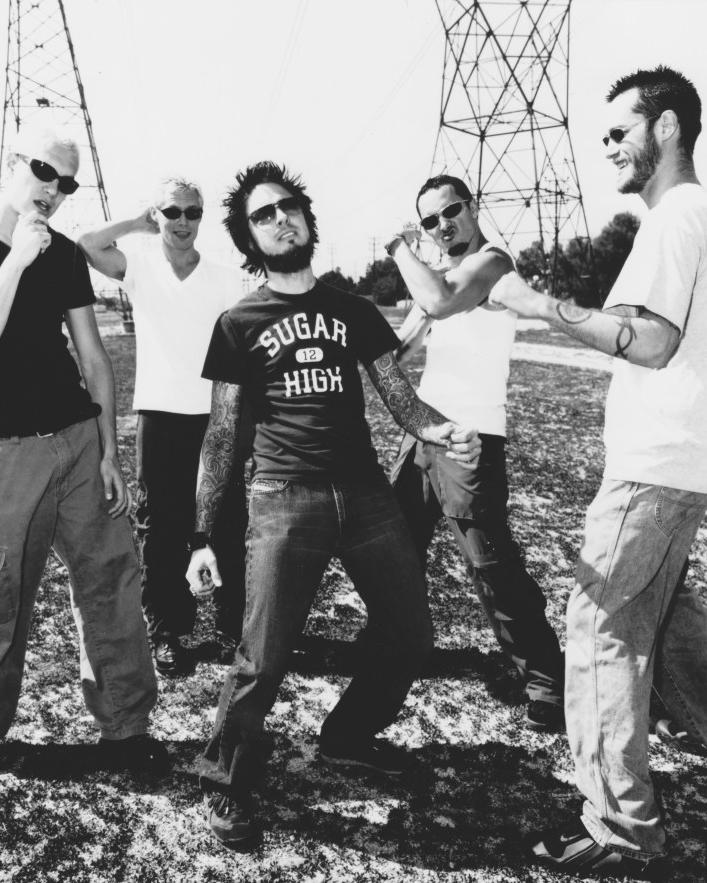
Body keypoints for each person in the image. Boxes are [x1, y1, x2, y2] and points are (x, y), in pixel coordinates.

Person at [186, 161, 482, 847]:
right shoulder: (239, 322)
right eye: (263, 215)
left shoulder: (352, 309)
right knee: (263, 655)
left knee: (410, 634)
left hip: (365, 493)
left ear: (307, 218)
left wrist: (442, 430)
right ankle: (226, 779)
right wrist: (201, 535)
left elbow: (398, 397)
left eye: (288, 206)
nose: (280, 219)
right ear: (249, 238)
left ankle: (348, 734)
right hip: (283, 498)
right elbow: (223, 433)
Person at [489, 66, 707, 875]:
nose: (607, 145)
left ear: (667, 127)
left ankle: (619, 828)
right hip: (681, 461)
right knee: (669, 628)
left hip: (653, 466)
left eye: (621, 130)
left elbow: (649, 340)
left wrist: (535, 304)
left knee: (599, 631)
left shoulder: (674, 217)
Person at [0, 125, 167, 797]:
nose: (54, 189)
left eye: (68, 182)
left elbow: (94, 356)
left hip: (77, 439)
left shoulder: (68, 253)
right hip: (3, 451)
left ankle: (126, 727)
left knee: (110, 581)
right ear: (12, 162)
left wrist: (109, 451)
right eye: (44, 171)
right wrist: (17, 258)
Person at [383, 175, 564, 731]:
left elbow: (440, 299)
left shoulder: (493, 262)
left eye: (451, 211)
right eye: (430, 221)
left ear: (473, 205)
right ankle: (396, 648)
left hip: (472, 438)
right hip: (422, 434)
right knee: (396, 551)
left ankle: (546, 680)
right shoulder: (441, 278)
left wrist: (399, 248)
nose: (442, 226)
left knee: (491, 566)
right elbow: (398, 353)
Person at [78, 178, 248, 677]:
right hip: (158, 416)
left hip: (215, 418)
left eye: (192, 212)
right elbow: (88, 244)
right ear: (159, 215)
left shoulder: (225, 278)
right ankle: (168, 631)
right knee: (160, 528)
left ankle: (232, 628)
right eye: (172, 211)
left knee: (226, 521)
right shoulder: (140, 266)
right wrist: (138, 222)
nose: (182, 221)